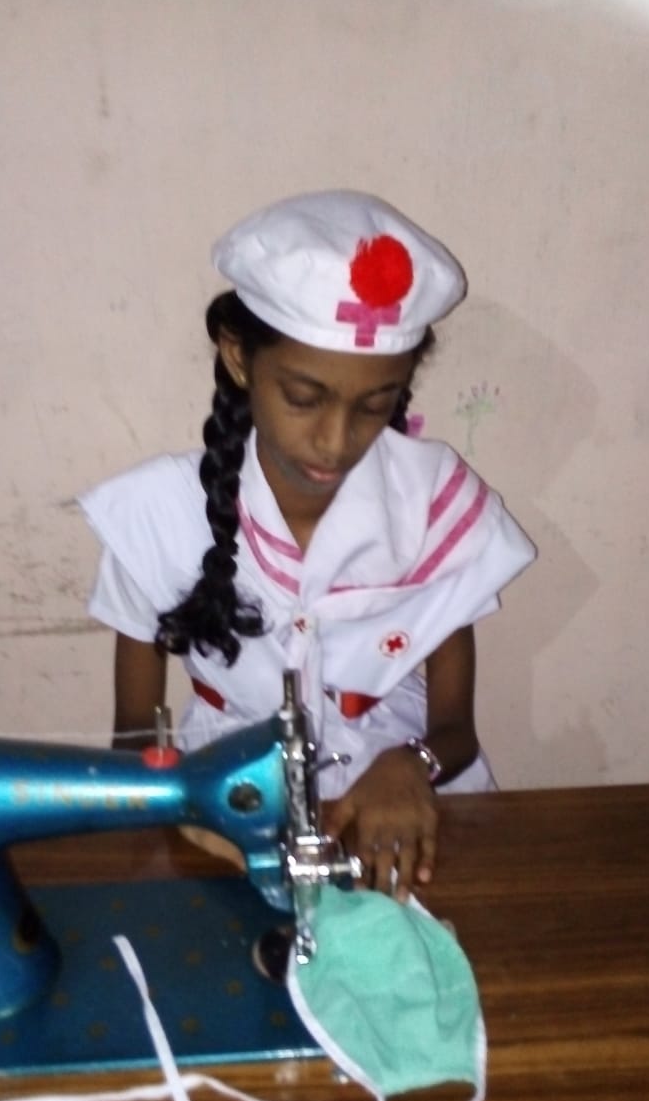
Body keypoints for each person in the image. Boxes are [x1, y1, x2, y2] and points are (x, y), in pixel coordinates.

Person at [79, 190, 535, 901]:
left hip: (400, 812)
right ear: (238, 358)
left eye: (376, 405)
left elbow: (455, 732)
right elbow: (134, 740)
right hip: (224, 817)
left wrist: (411, 764)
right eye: (303, 398)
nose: (335, 440)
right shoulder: (158, 519)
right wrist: (179, 813)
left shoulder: (432, 506)